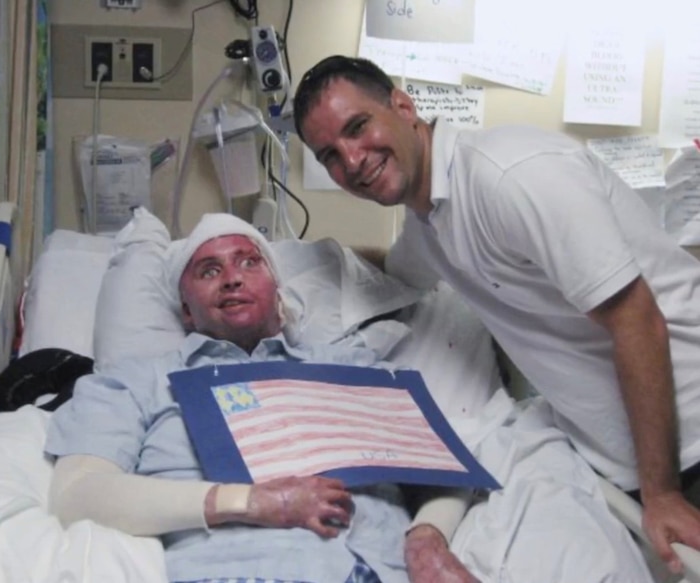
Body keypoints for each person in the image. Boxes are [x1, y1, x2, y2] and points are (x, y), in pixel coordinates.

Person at [293, 54, 700, 574]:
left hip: (685, 440)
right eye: (330, 154)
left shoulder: (510, 176)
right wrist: (290, 267)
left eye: (357, 127)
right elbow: (391, 276)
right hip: (622, 463)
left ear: (403, 106)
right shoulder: (429, 223)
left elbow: (637, 320)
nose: (351, 161)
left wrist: (662, 492)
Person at [44, 213, 478, 583]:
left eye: (249, 262)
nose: (232, 278)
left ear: (278, 292)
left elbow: (445, 468)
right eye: (208, 271)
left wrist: (428, 537)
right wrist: (250, 502)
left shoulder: (354, 368)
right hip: (232, 570)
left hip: (366, 569)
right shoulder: (138, 382)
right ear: (187, 311)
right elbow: (77, 495)